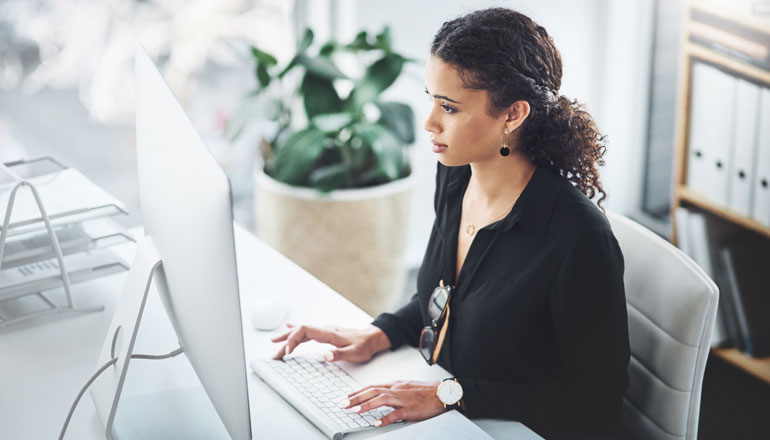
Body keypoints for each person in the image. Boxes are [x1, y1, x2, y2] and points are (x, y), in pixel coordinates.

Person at [271, 7, 630, 439]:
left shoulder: (578, 238)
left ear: (513, 115)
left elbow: (596, 404)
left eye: (449, 107)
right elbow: (448, 296)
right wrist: (379, 333)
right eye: (431, 98)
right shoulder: (457, 174)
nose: (429, 122)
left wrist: (449, 394)